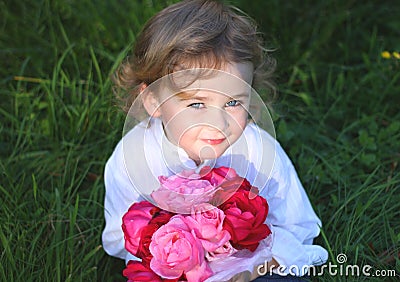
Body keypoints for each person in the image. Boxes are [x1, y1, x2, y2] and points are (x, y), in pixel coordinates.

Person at [102, 0, 328, 281]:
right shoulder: (134, 158)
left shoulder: (257, 152)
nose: (218, 122)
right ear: (153, 100)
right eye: (197, 104)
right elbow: (118, 238)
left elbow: (298, 223)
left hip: (254, 269)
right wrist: (172, 247)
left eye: (233, 102)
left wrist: (253, 266)